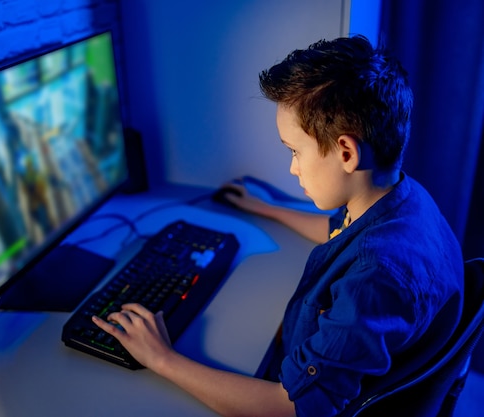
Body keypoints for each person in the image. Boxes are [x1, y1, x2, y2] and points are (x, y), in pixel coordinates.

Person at [92, 35, 464, 417]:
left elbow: (293, 407)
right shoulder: (402, 195)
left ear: (346, 153)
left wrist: (161, 358)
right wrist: (266, 208)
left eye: (295, 151)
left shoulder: (378, 276)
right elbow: (342, 235)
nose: (293, 167)